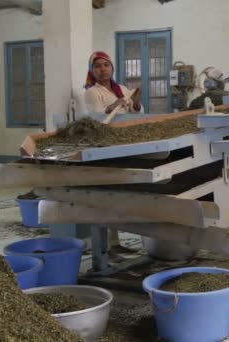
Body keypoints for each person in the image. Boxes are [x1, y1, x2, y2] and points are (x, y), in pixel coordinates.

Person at [83, 51, 142, 256]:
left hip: (123, 143)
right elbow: (97, 118)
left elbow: (135, 113)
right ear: (93, 70)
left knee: (116, 194)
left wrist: (136, 100)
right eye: (98, 66)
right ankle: (105, 245)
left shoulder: (122, 89)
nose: (103, 69)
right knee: (105, 194)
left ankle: (114, 242)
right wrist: (113, 106)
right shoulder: (92, 92)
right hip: (105, 145)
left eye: (106, 65)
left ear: (112, 68)